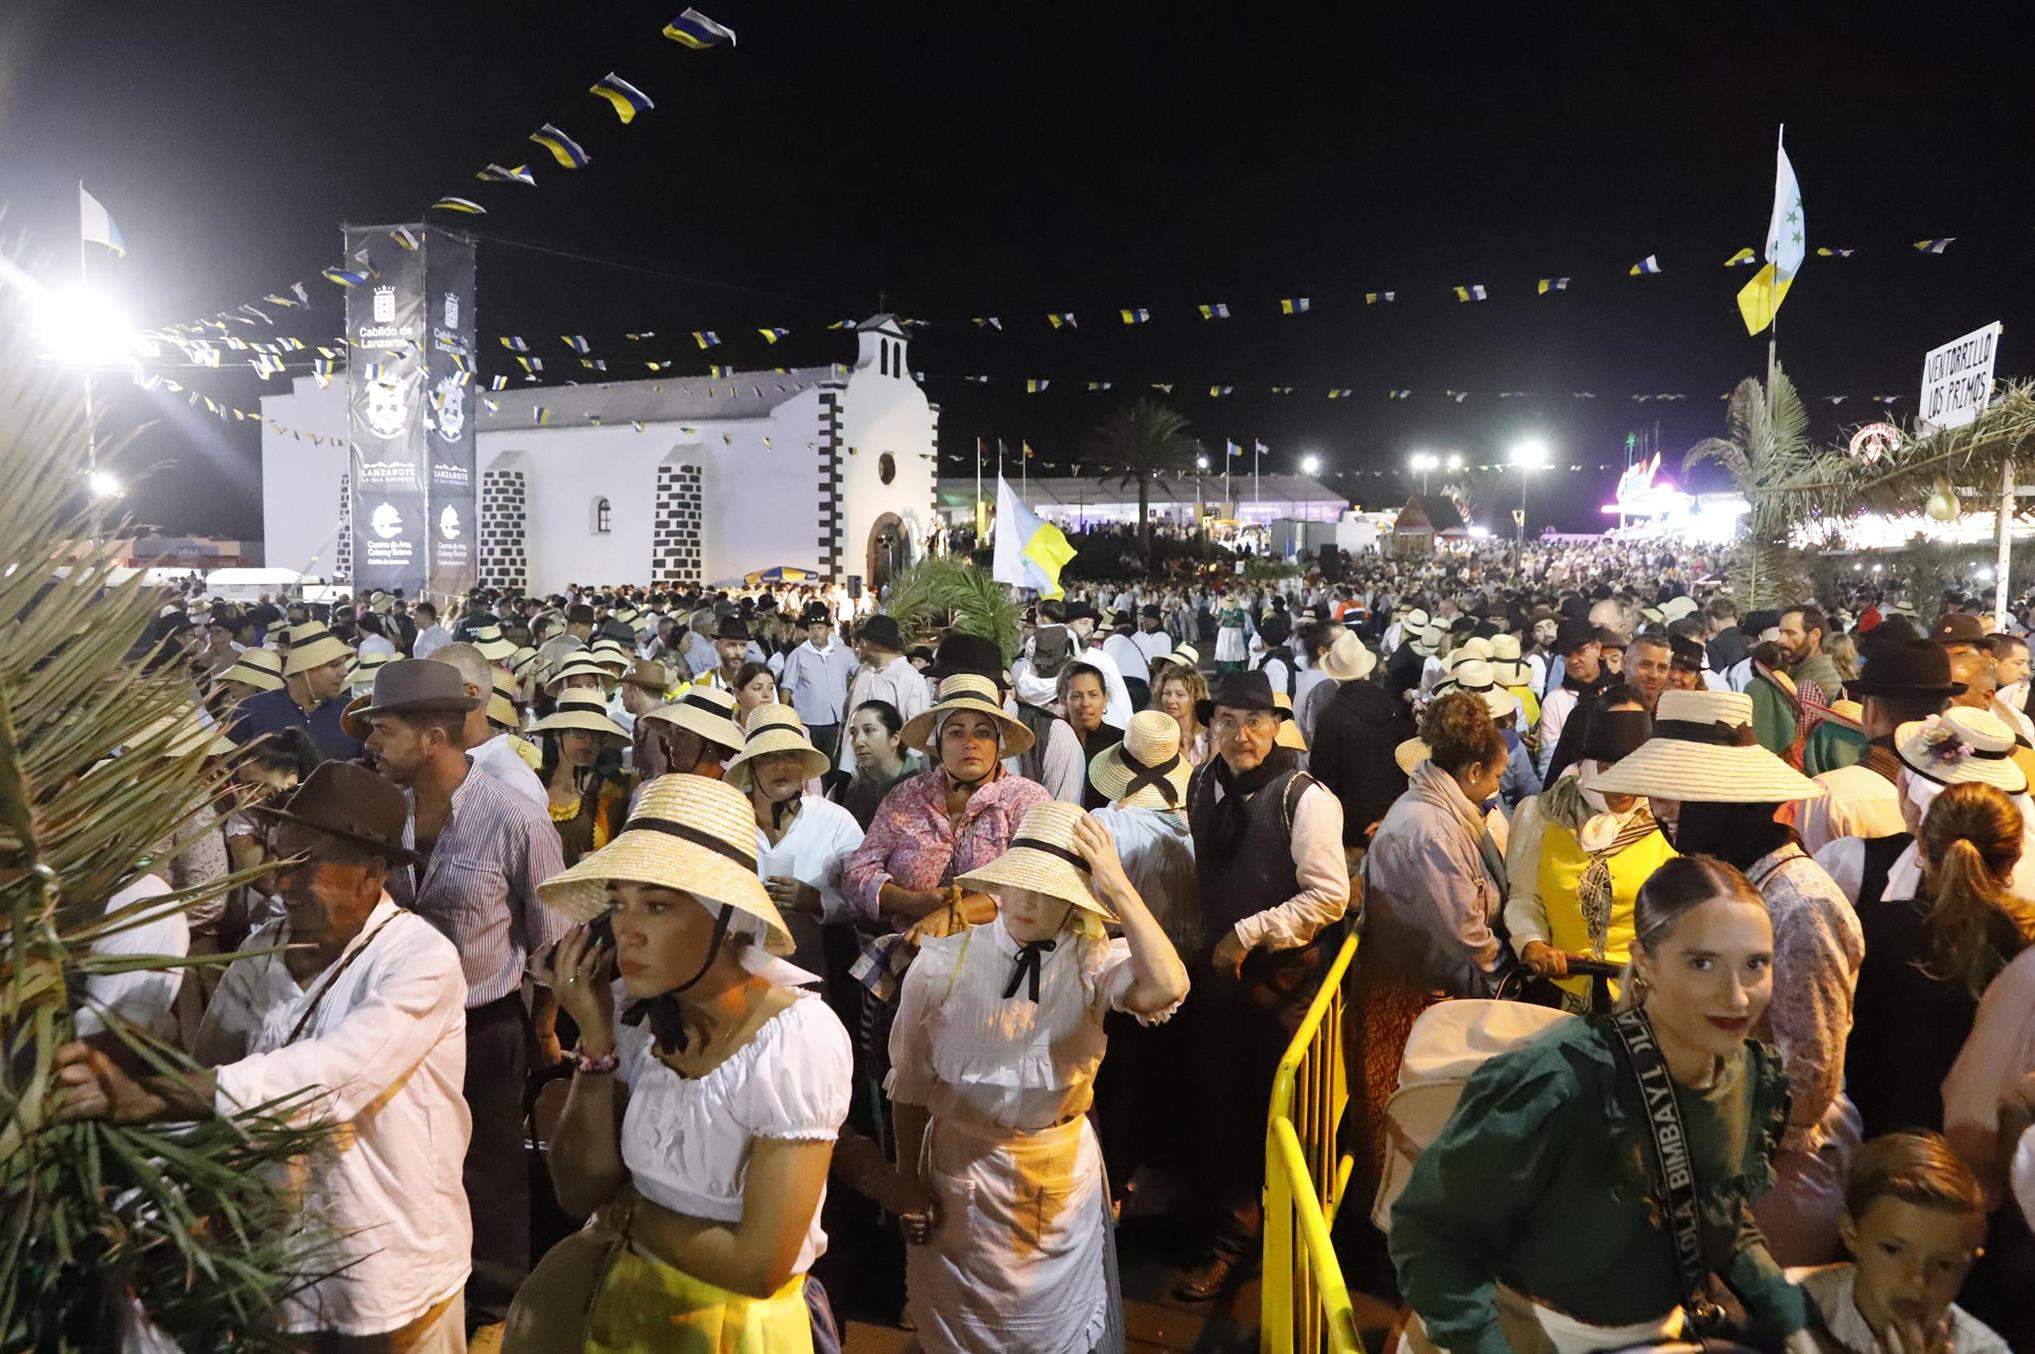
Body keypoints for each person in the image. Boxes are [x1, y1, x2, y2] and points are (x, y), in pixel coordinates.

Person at [53, 762, 473, 1351]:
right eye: (279, 860)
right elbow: (211, 1071)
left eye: (306, 866)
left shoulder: (418, 961)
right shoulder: (262, 950)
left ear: (369, 875)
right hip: (279, 1270)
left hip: (388, 1263)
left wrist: (157, 1094)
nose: (280, 884)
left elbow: (334, 1077)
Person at [1388, 857, 1816, 1354]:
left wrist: (1792, 1320)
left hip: (1657, 1335)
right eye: (1702, 963)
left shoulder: (1746, 1077)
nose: (1737, 996)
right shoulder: (1562, 1078)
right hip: (1521, 1333)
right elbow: (1433, 1233)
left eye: (1755, 964)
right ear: (1647, 962)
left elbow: (1718, 1214)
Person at [521, 775, 851, 1352]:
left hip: (735, 1330)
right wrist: (594, 1040)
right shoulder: (637, 1016)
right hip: (627, 1311)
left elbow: (758, 1264)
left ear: (728, 922)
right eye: (619, 905)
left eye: (658, 905)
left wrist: (630, 1215)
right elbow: (578, 1191)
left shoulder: (796, 1039)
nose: (628, 930)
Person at [883, 802, 1189, 1352]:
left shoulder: (1092, 962)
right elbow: (908, 1087)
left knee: (1055, 1328)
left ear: (1075, 903)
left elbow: (1166, 986)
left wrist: (1119, 887)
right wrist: (910, 1183)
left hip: (1058, 1171)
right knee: (963, 1326)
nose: (1027, 899)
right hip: (960, 1168)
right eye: (1021, 883)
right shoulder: (942, 964)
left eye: (1050, 890)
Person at [1593, 687, 1865, 1266]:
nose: (1661, 810)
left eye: (1677, 797)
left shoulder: (1799, 906)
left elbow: (1808, 1080)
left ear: (1725, 802)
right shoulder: (1728, 885)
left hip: (1773, 1178)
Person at [359, 658, 571, 1325]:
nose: (370, 744)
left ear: (433, 740)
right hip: (392, 1021)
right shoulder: (375, 813)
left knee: (490, 1169)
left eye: (383, 730)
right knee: (404, 1157)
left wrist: (543, 1028)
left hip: (483, 1023)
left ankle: (494, 1305)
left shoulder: (514, 819)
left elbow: (551, 938)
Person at [1175, 670, 1349, 1300]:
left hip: (1282, 984)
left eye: (1254, 721)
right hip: (1221, 980)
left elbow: (1329, 897)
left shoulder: (1305, 798)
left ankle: (1271, 1242)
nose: (1240, 734)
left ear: (1277, 726)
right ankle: (1234, 1231)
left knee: (1276, 1113)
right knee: (1219, 1104)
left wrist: (1247, 933)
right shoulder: (1201, 781)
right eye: (1226, 720)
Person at [1354, 691, 1513, 1195]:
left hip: (1422, 990)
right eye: (1495, 777)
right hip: (1414, 1000)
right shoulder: (1433, 831)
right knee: (1411, 1130)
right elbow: (1464, 932)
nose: (1498, 786)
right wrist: (1510, 971)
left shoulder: (1438, 810)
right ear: (1470, 773)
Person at [1847, 781, 2035, 1142]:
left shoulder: (1870, 927)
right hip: (1983, 1158)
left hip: (1880, 1148)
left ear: (1921, 846)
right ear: (2013, 857)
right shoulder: (2024, 946)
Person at [1504, 692, 1672, 1012]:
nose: (1623, 785)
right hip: (1559, 995)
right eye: (1610, 767)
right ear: (1587, 764)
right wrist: (1532, 942)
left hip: (1645, 1000)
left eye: (1634, 768)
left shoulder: (1664, 821)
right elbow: (1525, 897)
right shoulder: (1543, 815)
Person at [1792, 1131, 2009, 1354]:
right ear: (1851, 1233)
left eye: (1944, 1264)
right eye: (1893, 1250)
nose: (1918, 1279)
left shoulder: (1985, 1349)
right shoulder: (1785, 1309)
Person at [725, 703, 866, 992]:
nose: (782, 766)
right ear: (752, 766)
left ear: (802, 765)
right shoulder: (727, 824)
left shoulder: (833, 820)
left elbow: (865, 899)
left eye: (790, 756)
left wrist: (817, 901)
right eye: (769, 757)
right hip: (738, 977)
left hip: (814, 975)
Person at [1307, 630, 1413, 860]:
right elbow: (1406, 762)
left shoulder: (1332, 715)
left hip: (1350, 825)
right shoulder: (1393, 707)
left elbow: (1322, 776)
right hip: (1394, 816)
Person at [432, 641, 547, 810]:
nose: (424, 704)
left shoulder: (513, 780)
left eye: (434, 692)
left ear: (470, 694)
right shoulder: (442, 760)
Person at [229, 620, 363, 761]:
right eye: (334, 665)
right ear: (305, 669)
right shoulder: (250, 711)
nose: (344, 672)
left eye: (344, 664)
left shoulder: (352, 713)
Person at [531, 690, 636, 866]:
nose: (589, 742)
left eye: (597, 735)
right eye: (579, 733)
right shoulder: (532, 783)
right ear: (558, 735)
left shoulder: (614, 791)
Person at [837, 613, 931, 773]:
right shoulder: (864, 670)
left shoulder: (909, 677)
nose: (860, 646)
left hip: (887, 773)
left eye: (864, 641)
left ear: (878, 644)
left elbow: (917, 730)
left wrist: (907, 773)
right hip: (850, 767)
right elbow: (847, 716)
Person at [778, 602, 858, 765]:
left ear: (829, 630)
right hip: (808, 722)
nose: (815, 632)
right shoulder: (798, 655)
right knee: (811, 767)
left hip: (836, 721)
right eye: (812, 628)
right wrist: (783, 719)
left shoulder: (843, 652)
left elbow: (859, 673)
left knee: (835, 765)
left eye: (820, 628)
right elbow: (787, 687)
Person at [1039, 660, 1124, 808]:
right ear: (1063, 699)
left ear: (1105, 699)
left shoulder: (1121, 743)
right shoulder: (1050, 741)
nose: (1086, 703)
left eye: (1093, 695)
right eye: (1077, 696)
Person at [827, 698, 921, 831]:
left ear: (895, 738)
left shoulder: (923, 786)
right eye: (853, 733)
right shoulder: (844, 788)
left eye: (869, 730)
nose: (858, 742)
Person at [1533, 618, 1602, 780]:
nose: (1574, 660)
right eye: (1567, 654)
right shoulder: (1554, 701)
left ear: (1597, 648)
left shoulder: (1617, 689)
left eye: (1581, 651)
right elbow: (1549, 759)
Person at [643, 685, 747, 780]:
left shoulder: (727, 793)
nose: (669, 742)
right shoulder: (673, 785)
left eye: (681, 734)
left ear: (710, 745)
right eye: (670, 733)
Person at [1151, 660, 1211, 768]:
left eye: (1180, 694)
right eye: (1167, 693)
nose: (1171, 700)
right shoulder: (1152, 734)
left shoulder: (1210, 735)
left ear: (1195, 699)